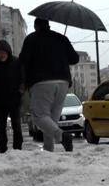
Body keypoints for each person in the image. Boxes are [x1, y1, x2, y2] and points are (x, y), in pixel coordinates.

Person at [20, 18, 79, 152]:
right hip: (63, 82)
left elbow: (23, 61)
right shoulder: (61, 38)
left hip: (41, 82)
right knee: (51, 120)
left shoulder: (31, 39)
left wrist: (23, 82)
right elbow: (74, 58)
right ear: (48, 25)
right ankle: (48, 150)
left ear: (36, 26)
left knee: (39, 116)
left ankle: (62, 136)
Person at [0, 40, 24, 153]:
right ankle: (3, 149)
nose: (2, 54)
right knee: (1, 127)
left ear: (8, 52)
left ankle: (17, 148)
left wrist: (20, 91)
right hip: (0, 101)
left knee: (16, 125)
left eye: (4, 52)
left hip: (14, 100)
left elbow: (22, 79)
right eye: (0, 52)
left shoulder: (16, 62)